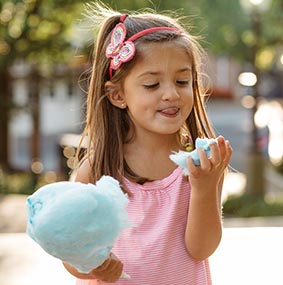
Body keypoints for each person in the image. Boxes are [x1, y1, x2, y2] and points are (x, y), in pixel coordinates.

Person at [63, 2, 232, 284]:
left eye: (182, 81)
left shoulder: (201, 166)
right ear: (118, 95)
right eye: (152, 85)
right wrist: (92, 265)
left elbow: (201, 248)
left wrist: (204, 187)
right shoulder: (97, 170)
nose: (171, 94)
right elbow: (71, 252)